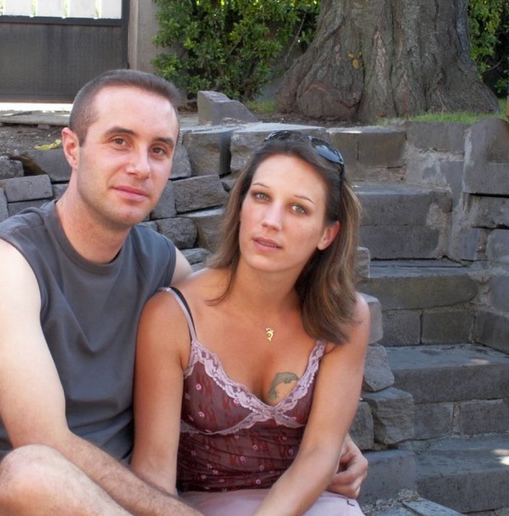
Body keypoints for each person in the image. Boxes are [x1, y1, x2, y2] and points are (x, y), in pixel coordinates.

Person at [0, 69, 368, 515]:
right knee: (33, 471)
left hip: (127, 504)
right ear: (72, 148)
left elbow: (237, 328)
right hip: (26, 504)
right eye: (119, 141)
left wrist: (323, 431)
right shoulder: (0, 264)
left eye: (158, 150)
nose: (140, 167)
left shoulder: (161, 265)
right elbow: (45, 440)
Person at [131, 130, 371, 516]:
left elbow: (320, 452)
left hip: (308, 501)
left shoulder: (346, 318)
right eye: (261, 197)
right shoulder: (172, 317)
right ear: (241, 205)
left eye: (298, 208)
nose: (271, 221)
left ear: (327, 233)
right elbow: (153, 471)